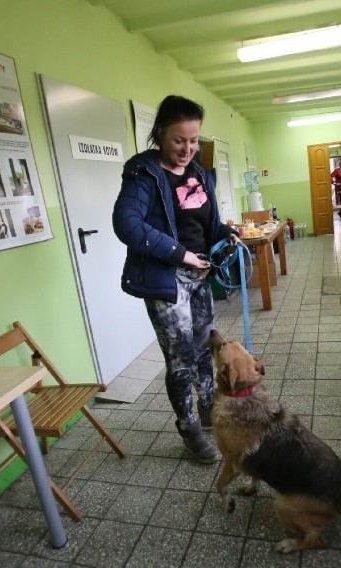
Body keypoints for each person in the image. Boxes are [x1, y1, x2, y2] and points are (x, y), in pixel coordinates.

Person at [113, 95, 240, 464]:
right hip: (167, 281)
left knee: (205, 349)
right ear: (159, 134)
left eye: (194, 140)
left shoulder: (198, 172)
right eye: (178, 140)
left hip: (200, 278)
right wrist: (180, 253)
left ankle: (205, 411)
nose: (187, 149)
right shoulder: (143, 173)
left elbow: (207, 222)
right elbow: (127, 224)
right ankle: (189, 429)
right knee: (181, 358)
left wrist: (226, 232)